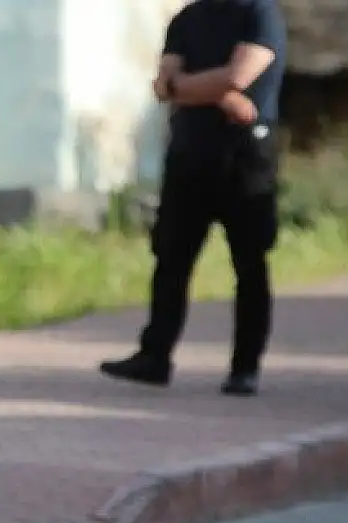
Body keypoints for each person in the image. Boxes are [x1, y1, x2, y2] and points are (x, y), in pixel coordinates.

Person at [101, 0, 288, 398]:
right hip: (190, 153)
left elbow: (240, 75)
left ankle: (244, 368)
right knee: (171, 258)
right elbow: (163, 83)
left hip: (244, 158)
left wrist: (188, 87)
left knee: (249, 263)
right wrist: (215, 93)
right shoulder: (187, 18)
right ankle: (154, 357)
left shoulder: (259, 13)